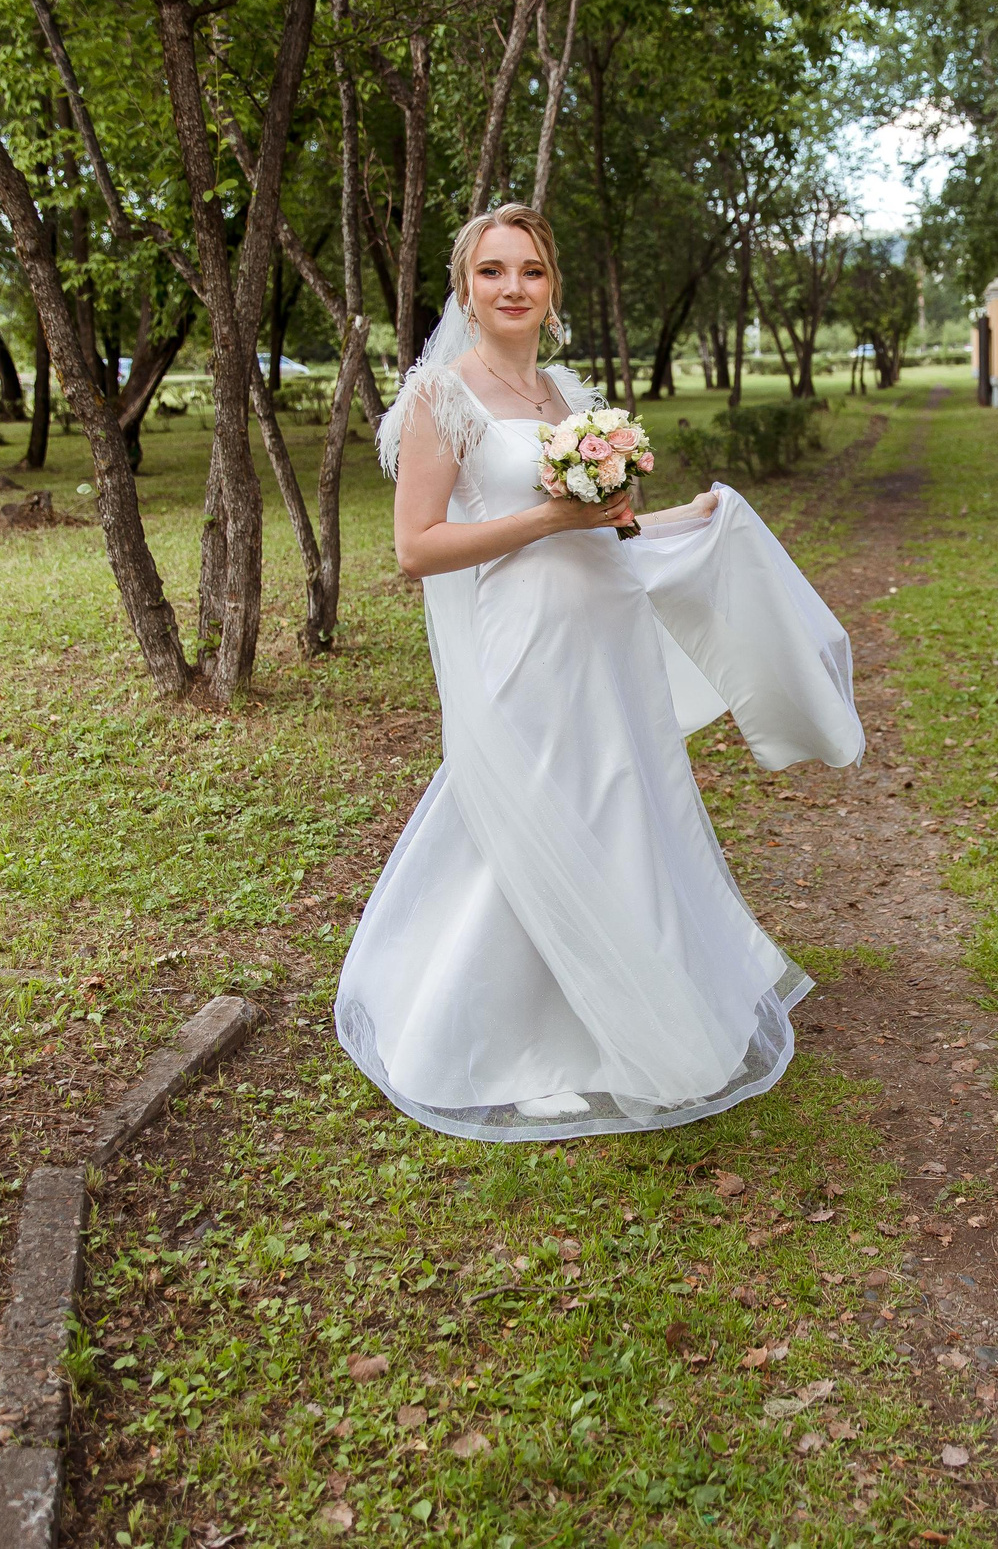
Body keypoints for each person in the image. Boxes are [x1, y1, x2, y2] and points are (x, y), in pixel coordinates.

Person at [336, 204, 865, 1141]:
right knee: (528, 826)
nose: (511, 288)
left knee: (621, 815)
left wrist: (688, 519)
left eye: (530, 271)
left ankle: (634, 1015)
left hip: (603, 643)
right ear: (465, 287)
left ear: (552, 288)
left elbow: (610, 531)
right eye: (492, 271)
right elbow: (417, 548)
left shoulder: (566, 395)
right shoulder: (439, 399)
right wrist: (553, 521)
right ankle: (503, 1035)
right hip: (521, 650)